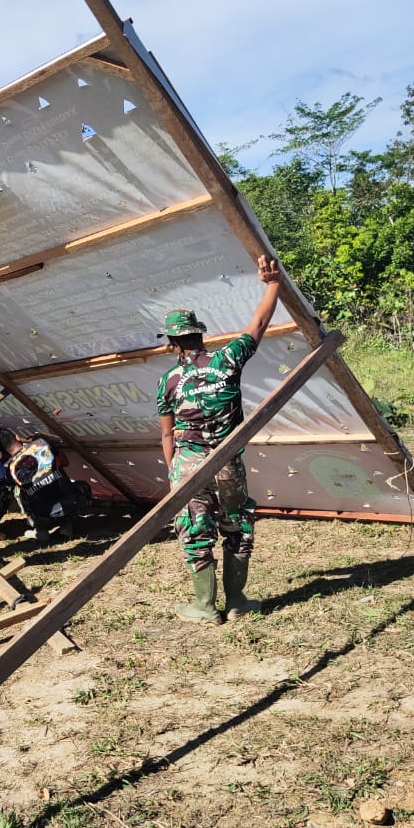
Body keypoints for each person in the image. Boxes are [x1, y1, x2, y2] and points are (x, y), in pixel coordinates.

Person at [156, 254, 282, 624]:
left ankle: (205, 607)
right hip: (227, 462)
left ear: (173, 343)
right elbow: (258, 323)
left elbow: (166, 433)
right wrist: (272, 283)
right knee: (237, 525)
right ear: (199, 335)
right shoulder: (227, 360)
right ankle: (238, 601)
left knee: (196, 532)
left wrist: (176, 472)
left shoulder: (168, 381)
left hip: (187, 465)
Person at [0, 427, 87, 541]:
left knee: (21, 493)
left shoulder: (10, 470)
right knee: (77, 485)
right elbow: (65, 462)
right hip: (70, 504)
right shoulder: (41, 446)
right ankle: (66, 527)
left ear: (2, 450)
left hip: (43, 515)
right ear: (17, 437)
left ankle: (41, 531)